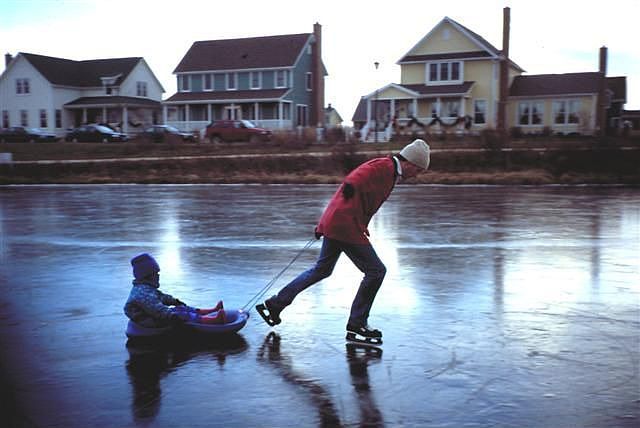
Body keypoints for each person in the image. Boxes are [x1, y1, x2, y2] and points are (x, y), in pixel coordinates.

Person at [257, 139, 431, 344]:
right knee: (376, 271)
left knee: (322, 269)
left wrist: (325, 223)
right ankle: (357, 323)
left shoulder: (387, 169)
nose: (417, 175)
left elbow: (350, 193)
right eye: (418, 170)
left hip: (339, 223)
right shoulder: (383, 169)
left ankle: (275, 304)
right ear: (411, 162)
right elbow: (348, 189)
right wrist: (330, 223)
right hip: (345, 226)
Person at [124, 253, 225, 327]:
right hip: (147, 320)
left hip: (151, 315)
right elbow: (156, 309)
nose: (158, 276)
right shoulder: (142, 293)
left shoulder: (147, 288)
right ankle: (213, 321)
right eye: (156, 273)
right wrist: (173, 316)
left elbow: (161, 297)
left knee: (181, 309)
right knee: (181, 315)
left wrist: (174, 301)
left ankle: (210, 311)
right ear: (148, 275)